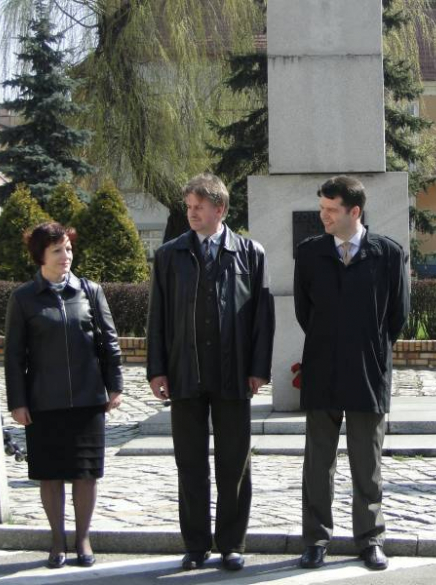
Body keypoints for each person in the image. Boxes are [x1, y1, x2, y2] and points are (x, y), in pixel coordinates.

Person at [146, 173, 275, 572]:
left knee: (234, 462)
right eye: (188, 207)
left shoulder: (250, 253)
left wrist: (258, 369)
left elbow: (262, 318)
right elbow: (158, 318)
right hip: (185, 373)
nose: (191, 213)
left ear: (220, 208)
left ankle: (232, 544)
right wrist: (157, 370)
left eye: (198, 207)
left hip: (233, 374)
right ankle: (196, 544)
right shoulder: (169, 255)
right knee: (190, 462)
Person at [294, 175, 409, 571]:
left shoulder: (388, 255)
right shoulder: (309, 253)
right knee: (318, 462)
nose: (323, 216)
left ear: (354, 211)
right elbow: (304, 313)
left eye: (331, 210)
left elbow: (397, 317)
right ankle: (315, 538)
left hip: (368, 369)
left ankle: (370, 539)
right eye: (321, 209)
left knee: (367, 461)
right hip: (322, 368)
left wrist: (366, 346)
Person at [4, 222, 123, 569]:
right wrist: (18, 402)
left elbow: (109, 343)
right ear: (41, 255)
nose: (65, 256)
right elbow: (13, 355)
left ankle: (82, 539)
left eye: (68, 249)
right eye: (57, 250)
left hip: (88, 400)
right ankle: (57, 541)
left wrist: (114, 386)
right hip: (44, 402)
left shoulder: (90, 291)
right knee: (51, 474)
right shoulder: (23, 298)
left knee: (86, 473)